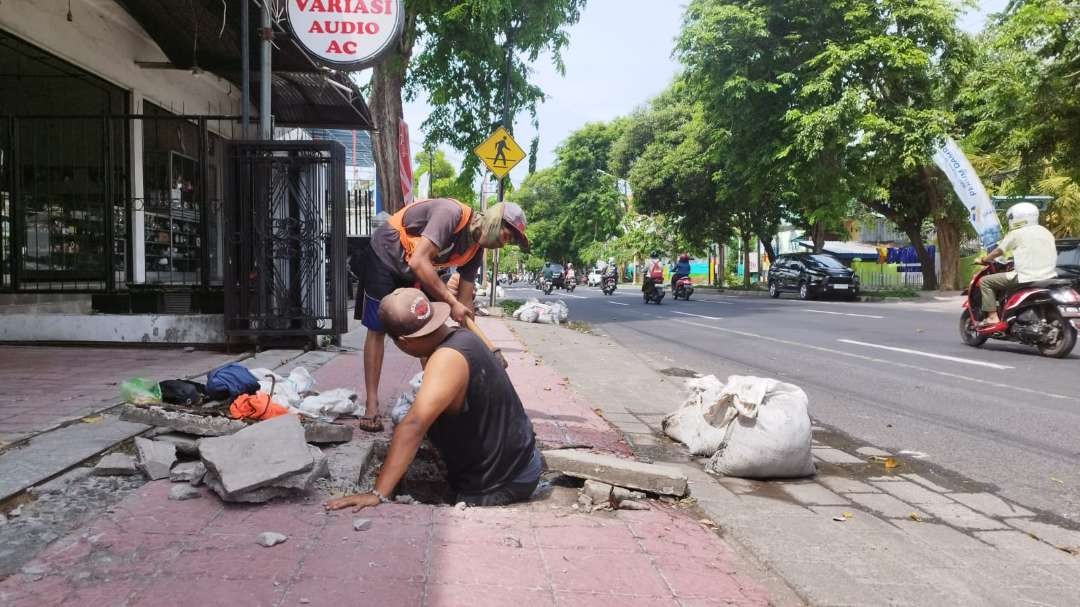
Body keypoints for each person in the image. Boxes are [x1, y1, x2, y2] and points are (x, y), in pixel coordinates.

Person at [326, 288, 541, 511]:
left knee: (409, 419)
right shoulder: (464, 337)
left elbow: (414, 425)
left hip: (504, 481)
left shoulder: (446, 359)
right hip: (523, 461)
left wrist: (377, 493)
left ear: (403, 342)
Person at [355, 198, 529, 432]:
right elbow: (419, 261)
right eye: (507, 237)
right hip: (386, 254)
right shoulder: (451, 214)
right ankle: (372, 404)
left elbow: (465, 304)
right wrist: (451, 302)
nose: (503, 245)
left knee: (431, 329)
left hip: (414, 266)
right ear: (496, 222)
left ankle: (432, 396)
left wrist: (474, 348)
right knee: (377, 328)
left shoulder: (475, 251)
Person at [977, 202, 1058, 328]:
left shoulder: (1016, 233)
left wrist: (984, 259)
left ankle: (992, 317)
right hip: (1049, 276)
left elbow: (999, 251)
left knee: (985, 281)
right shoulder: (1046, 232)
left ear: (1016, 217)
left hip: (1025, 276)